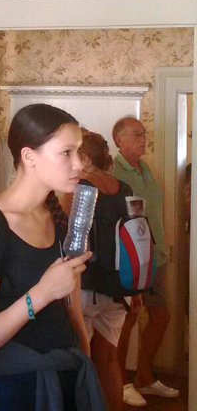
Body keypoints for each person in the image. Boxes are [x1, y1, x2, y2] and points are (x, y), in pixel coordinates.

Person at [0, 104, 105, 410]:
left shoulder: (56, 216)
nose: (78, 164)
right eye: (66, 153)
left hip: (64, 377)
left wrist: (83, 362)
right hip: (9, 388)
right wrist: (42, 293)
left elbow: (71, 309)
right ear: (29, 156)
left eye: (78, 152)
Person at [63, 129, 138, 411]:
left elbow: (63, 233)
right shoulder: (124, 188)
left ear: (84, 157)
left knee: (78, 360)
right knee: (108, 360)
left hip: (86, 285)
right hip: (120, 286)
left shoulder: (79, 187)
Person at [111, 117, 180, 405]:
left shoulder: (145, 168)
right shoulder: (115, 172)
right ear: (119, 140)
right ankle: (121, 383)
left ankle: (144, 377)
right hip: (133, 261)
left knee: (160, 317)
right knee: (127, 320)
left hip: (156, 258)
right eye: (137, 134)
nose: (143, 139)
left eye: (144, 134)